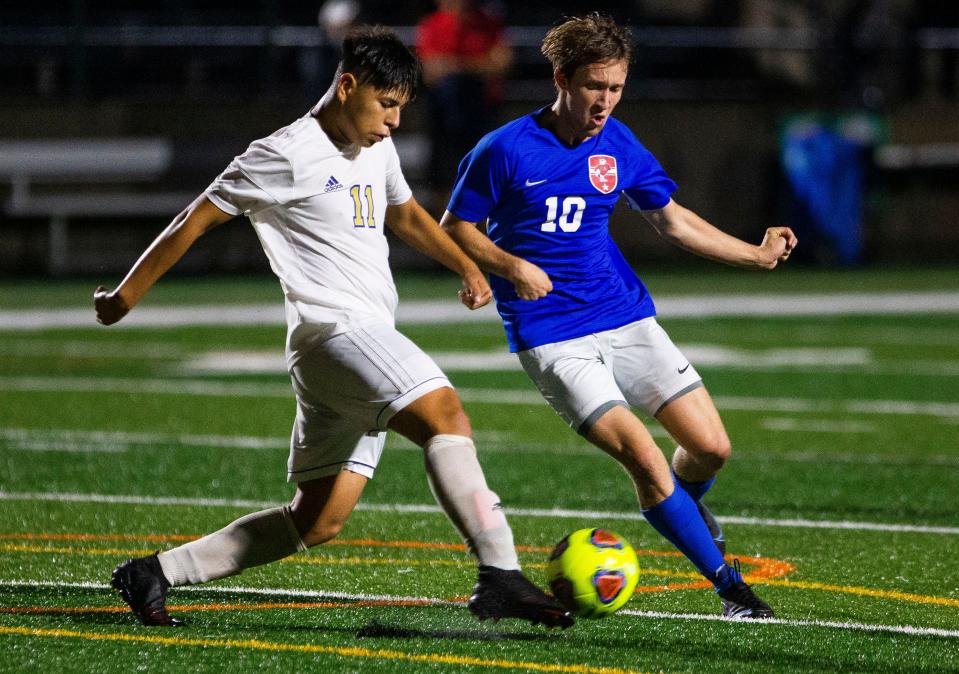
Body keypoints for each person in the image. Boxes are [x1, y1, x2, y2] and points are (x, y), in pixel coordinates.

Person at [94, 26, 572, 630]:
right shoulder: (284, 153)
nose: (395, 121)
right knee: (445, 414)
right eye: (386, 105)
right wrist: (124, 296)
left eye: (402, 107)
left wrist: (466, 264)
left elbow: (403, 213)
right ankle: (499, 572)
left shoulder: (374, 145)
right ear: (347, 86)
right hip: (335, 336)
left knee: (317, 521)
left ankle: (154, 572)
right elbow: (195, 218)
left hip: (351, 349)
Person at [440, 13, 798, 619]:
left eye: (615, 88)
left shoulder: (618, 143)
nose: (604, 101)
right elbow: (455, 228)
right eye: (593, 87)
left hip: (625, 316)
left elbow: (672, 220)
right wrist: (504, 268)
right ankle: (729, 584)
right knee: (644, 458)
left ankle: (679, 508)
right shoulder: (503, 149)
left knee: (711, 449)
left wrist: (756, 255)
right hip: (553, 336)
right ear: (561, 79)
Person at [415, 0, 512, 215]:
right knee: (444, 171)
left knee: (482, 169)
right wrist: (476, 65)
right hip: (446, 116)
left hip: (480, 111)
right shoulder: (432, 23)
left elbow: (502, 63)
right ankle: (445, 231)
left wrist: (455, 66)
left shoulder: (487, 22)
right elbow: (430, 71)